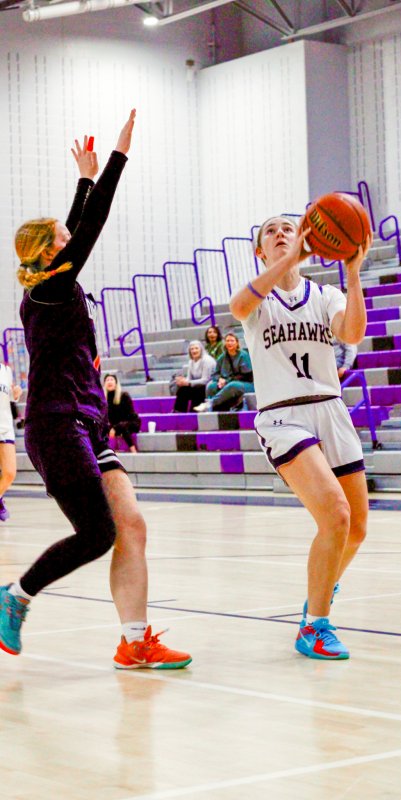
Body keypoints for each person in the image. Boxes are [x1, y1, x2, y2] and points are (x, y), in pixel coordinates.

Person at [0, 111, 191, 670]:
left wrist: (82, 179)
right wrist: (117, 158)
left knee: (131, 525)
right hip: (56, 424)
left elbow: (75, 224)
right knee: (98, 533)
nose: (71, 238)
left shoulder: (54, 283)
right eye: (62, 241)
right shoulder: (51, 289)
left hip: (86, 422)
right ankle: (15, 596)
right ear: (48, 254)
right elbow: (91, 223)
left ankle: (134, 642)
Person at [230, 215, 372, 660]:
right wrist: (287, 260)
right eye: (270, 231)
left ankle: (318, 593)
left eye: (288, 228)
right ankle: (315, 626)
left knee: (356, 528)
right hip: (283, 415)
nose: (280, 233)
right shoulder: (258, 298)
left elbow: (352, 333)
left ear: (305, 237)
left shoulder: (325, 295)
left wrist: (352, 272)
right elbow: (237, 307)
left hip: (330, 408)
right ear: (260, 251)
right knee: (335, 515)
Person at [194, 332, 253, 412]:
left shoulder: (243, 355)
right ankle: (214, 410)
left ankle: (210, 403)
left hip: (245, 384)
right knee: (211, 386)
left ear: (237, 343)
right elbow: (215, 374)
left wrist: (226, 381)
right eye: (227, 341)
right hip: (226, 382)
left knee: (233, 385)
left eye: (232, 341)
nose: (229, 343)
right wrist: (220, 379)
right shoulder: (222, 357)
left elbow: (246, 376)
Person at [0, 363, 22, 522]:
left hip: (5, 427)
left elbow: (11, 399)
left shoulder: (6, 370)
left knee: (9, 473)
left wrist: (16, 394)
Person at [169, 340, 216, 412]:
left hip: (207, 387)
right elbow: (189, 379)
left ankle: (193, 412)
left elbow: (205, 380)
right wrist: (182, 381)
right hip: (196, 386)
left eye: (196, 348)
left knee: (197, 392)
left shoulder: (207, 360)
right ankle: (178, 411)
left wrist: (189, 383)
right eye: (192, 349)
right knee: (183, 390)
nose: (194, 351)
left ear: (201, 349)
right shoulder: (191, 361)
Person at [103, 373, 141, 452]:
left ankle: (134, 451)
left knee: (123, 428)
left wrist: (116, 427)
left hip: (131, 422)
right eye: (107, 380)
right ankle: (111, 451)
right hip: (117, 424)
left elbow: (129, 416)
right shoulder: (103, 400)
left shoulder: (124, 396)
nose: (109, 382)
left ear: (116, 383)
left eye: (111, 380)